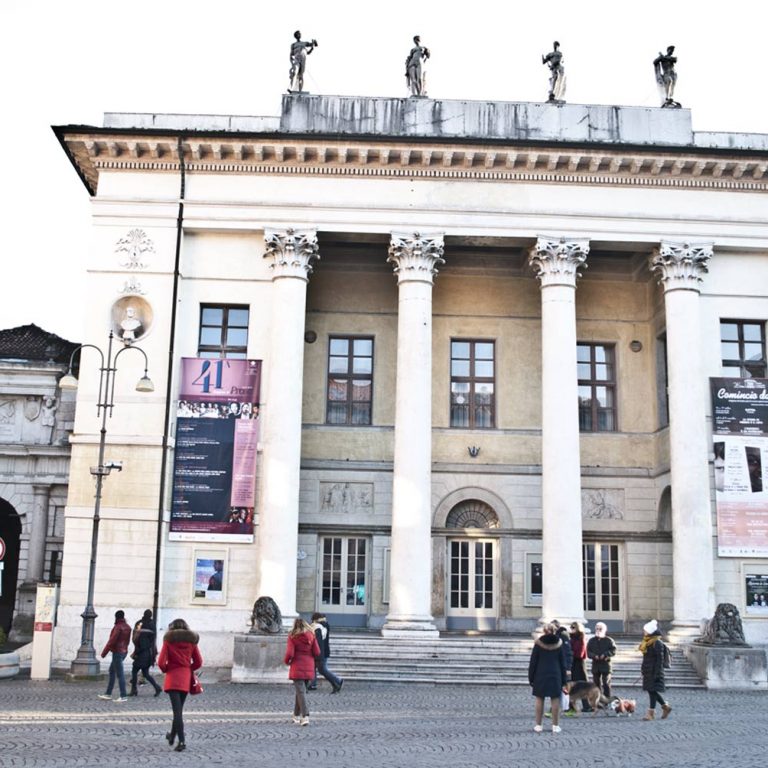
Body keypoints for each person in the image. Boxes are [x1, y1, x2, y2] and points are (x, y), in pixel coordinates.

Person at [157, 618, 203, 752]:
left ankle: (181, 741)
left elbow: (161, 662)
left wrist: (167, 669)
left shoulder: (169, 640)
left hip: (173, 677)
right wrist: (188, 668)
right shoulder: (192, 641)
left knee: (177, 712)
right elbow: (199, 662)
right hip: (185, 678)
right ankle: (172, 735)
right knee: (178, 710)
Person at [528, 622, 568, 733]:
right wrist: (564, 680)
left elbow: (533, 661)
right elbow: (562, 663)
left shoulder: (538, 643)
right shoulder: (559, 643)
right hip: (555, 674)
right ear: (555, 631)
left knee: (539, 699)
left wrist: (531, 677)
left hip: (540, 673)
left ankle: (538, 725)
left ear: (544, 631)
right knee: (555, 699)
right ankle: (555, 725)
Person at [284, 617, 320, 725]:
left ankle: (305, 716)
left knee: (301, 692)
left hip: (297, 666)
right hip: (309, 666)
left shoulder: (292, 636)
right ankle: (296, 715)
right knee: (300, 691)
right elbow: (317, 652)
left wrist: (286, 661)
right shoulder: (311, 635)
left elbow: (290, 653)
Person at [639, 619, 672, 720]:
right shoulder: (647, 642)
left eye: (645, 630)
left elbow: (659, 660)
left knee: (652, 691)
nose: (644, 632)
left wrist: (657, 673)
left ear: (650, 631)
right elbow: (646, 658)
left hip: (654, 671)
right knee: (651, 691)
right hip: (648, 670)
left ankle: (651, 713)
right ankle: (665, 707)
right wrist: (643, 669)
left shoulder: (657, 643)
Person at [98, 610, 132, 702]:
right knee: (112, 671)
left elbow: (111, 641)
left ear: (116, 617)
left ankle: (123, 695)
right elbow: (127, 641)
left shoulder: (118, 627)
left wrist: (104, 653)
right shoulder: (128, 627)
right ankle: (108, 693)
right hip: (124, 651)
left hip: (117, 652)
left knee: (120, 674)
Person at [308, 612, 343, 693]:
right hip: (323, 651)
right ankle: (313, 683)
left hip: (321, 652)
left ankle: (337, 681)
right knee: (315, 667)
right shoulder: (324, 625)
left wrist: (317, 653)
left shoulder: (318, 627)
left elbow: (318, 642)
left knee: (322, 670)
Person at [129, 609, 162, 697]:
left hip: (141, 653)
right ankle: (157, 687)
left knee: (134, 671)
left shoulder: (140, 624)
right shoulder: (152, 625)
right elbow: (152, 639)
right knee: (146, 673)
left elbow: (137, 640)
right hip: (149, 653)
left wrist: (137, 652)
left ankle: (134, 690)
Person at [586, 621, 616, 698]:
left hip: (606, 665)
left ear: (604, 630)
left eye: (600, 629)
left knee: (606, 683)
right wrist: (594, 656)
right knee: (596, 684)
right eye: (597, 629)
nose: (598, 630)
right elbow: (588, 651)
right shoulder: (591, 641)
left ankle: (607, 699)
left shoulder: (609, 640)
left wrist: (605, 654)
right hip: (596, 665)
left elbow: (613, 650)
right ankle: (598, 699)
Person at [568, 621, 592, 712]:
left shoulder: (580, 638)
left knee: (581, 686)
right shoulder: (572, 638)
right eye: (571, 627)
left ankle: (586, 706)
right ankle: (572, 706)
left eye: (573, 627)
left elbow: (580, 654)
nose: (571, 629)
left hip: (579, 664)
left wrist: (570, 653)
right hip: (573, 664)